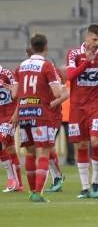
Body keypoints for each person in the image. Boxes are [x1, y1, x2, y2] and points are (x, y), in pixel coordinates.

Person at [12, 32, 62, 202]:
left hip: (24, 112)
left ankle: (32, 190)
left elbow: (14, 94)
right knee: (43, 152)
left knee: (30, 153)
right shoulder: (47, 66)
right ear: (46, 48)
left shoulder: (20, 67)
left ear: (31, 48)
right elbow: (57, 92)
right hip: (40, 112)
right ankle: (38, 193)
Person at [66, 24, 98, 199]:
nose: (97, 43)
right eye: (94, 39)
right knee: (82, 145)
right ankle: (85, 187)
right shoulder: (74, 54)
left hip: (96, 106)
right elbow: (70, 76)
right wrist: (86, 62)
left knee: (96, 142)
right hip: (77, 107)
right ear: (86, 37)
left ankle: (96, 182)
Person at [0, 64, 24, 192]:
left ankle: (12, 179)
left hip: (9, 117)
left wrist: (17, 113)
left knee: (1, 144)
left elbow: (19, 93)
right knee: (10, 149)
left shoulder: (7, 74)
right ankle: (19, 184)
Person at [59, 65, 75, 165]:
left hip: (69, 116)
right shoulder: (56, 84)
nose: (66, 73)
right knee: (51, 138)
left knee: (70, 140)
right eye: (64, 72)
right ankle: (48, 158)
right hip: (57, 115)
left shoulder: (72, 84)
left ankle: (71, 159)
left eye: (67, 71)